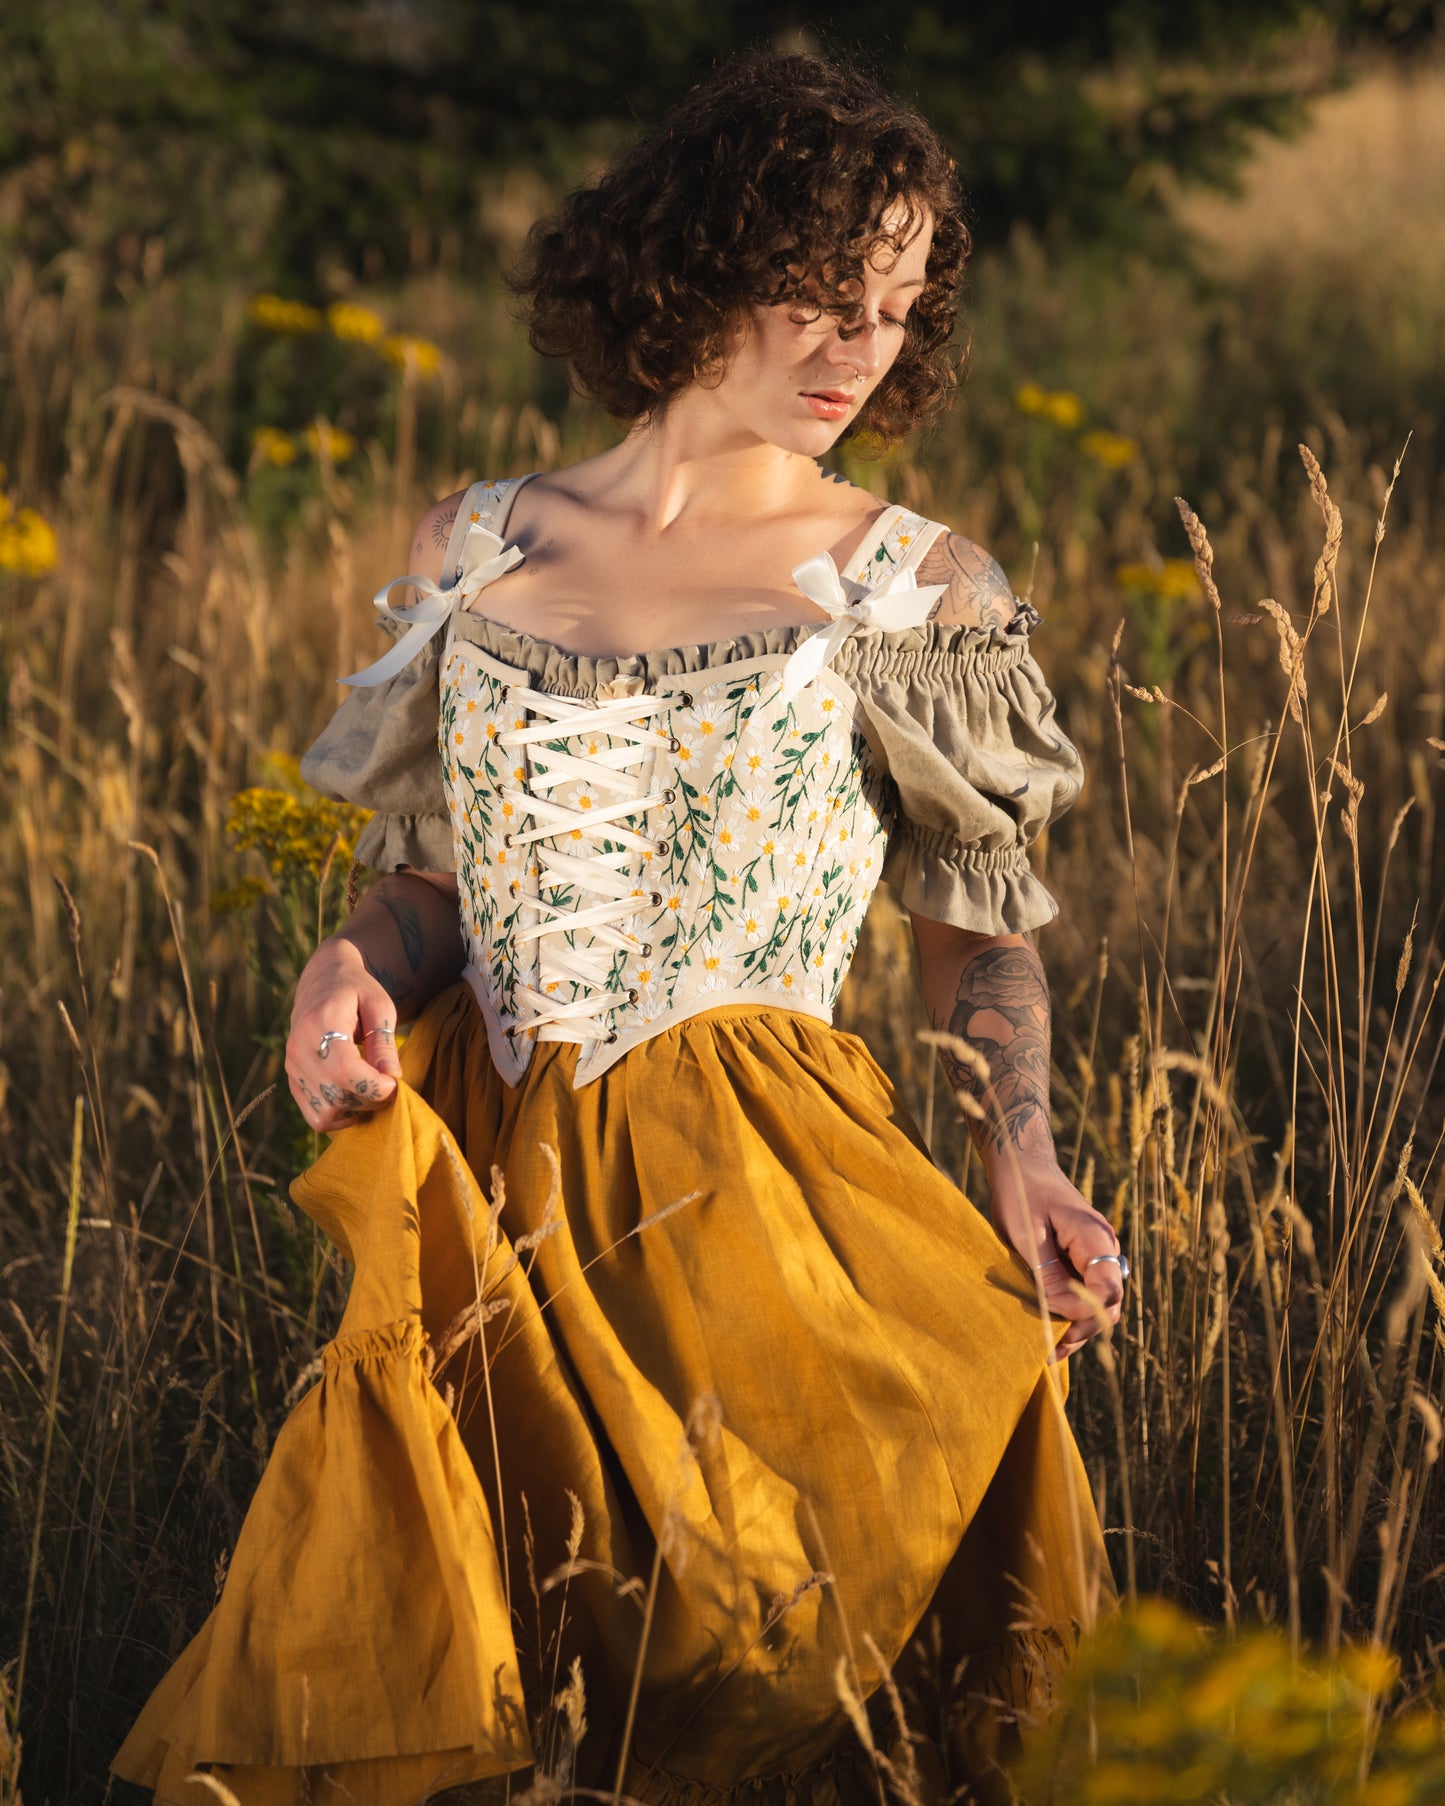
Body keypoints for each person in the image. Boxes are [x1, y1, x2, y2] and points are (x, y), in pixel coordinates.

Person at [114, 48, 1123, 1806]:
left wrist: (1022, 1151)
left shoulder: (907, 585)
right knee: (486, 1677)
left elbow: (976, 929)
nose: (854, 350)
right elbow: (431, 884)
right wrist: (352, 963)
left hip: (766, 1208)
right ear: (695, 261)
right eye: (818, 292)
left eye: (891, 308)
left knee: (753, 1669)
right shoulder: (484, 546)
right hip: (486, 1196)